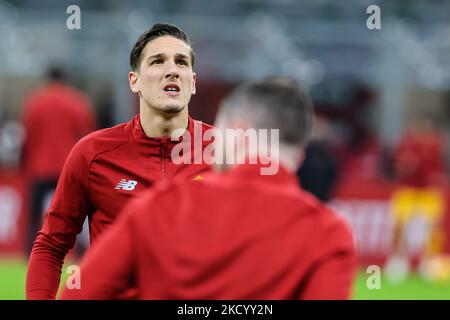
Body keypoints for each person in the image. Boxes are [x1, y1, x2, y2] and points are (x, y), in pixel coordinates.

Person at [61, 77, 357, 300]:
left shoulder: (162, 206)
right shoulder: (328, 234)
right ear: (300, 153)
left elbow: (79, 294)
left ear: (238, 133)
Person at [26, 23, 213, 300]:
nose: (172, 69)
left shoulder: (228, 155)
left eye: (181, 62)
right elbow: (51, 245)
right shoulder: (92, 153)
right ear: (134, 80)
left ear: (193, 82)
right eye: (158, 61)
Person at [20, 67, 97, 254]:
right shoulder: (77, 103)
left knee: (35, 213)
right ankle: (81, 252)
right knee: (77, 212)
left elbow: (28, 137)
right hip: (68, 166)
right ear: (65, 79)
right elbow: (88, 136)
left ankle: (29, 252)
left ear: (48, 79)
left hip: (40, 166)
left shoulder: (35, 102)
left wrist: (24, 163)